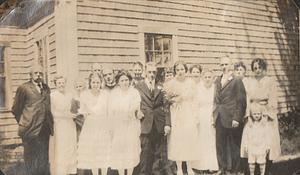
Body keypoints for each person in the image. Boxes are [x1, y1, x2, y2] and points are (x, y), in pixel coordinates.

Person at [11, 64, 53, 175]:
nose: (38, 75)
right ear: (30, 75)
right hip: (29, 130)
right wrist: (25, 122)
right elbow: (16, 109)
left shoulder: (46, 88)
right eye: (36, 73)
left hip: (44, 129)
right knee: (30, 159)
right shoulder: (24, 88)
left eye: (41, 73)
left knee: (43, 159)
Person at [134, 62, 175, 175]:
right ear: (145, 72)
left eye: (154, 72)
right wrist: (137, 111)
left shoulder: (161, 86)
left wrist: (167, 123)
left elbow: (165, 105)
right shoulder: (138, 86)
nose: (152, 74)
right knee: (145, 153)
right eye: (149, 72)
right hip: (145, 123)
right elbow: (134, 102)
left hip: (159, 123)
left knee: (158, 153)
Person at [164, 61, 200, 175]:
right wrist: (173, 100)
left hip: (188, 113)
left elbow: (195, 100)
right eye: (178, 70)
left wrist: (195, 116)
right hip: (176, 114)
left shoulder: (191, 83)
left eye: (182, 69)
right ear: (175, 71)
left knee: (189, 139)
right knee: (177, 140)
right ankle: (179, 167)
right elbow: (166, 100)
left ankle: (189, 167)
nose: (180, 72)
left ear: (185, 71)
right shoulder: (170, 83)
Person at [246, 58, 281, 175]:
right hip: (254, 112)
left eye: (260, 68)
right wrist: (249, 114)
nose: (257, 70)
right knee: (255, 139)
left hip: (266, 112)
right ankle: (254, 167)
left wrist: (267, 114)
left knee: (268, 140)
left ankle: (268, 167)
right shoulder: (250, 81)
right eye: (255, 68)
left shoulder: (270, 81)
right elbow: (247, 98)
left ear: (264, 68)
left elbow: (273, 98)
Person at [213, 56, 247, 175]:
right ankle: (222, 168)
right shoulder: (217, 80)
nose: (224, 67)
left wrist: (237, 118)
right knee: (220, 145)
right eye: (222, 65)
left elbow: (241, 101)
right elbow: (216, 100)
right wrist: (214, 116)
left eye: (226, 64)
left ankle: (235, 170)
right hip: (219, 117)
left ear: (230, 65)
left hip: (232, 118)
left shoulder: (236, 80)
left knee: (234, 145)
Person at [109, 71, 143, 175]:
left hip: (131, 124)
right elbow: (111, 111)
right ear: (118, 82)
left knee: (130, 150)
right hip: (118, 126)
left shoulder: (134, 92)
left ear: (129, 80)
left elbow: (136, 106)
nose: (125, 82)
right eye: (122, 80)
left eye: (126, 80)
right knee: (120, 151)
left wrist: (130, 112)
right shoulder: (114, 94)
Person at [77, 73, 110, 175]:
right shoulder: (84, 94)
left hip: (103, 125)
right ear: (90, 83)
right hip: (91, 126)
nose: (95, 84)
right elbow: (83, 111)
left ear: (101, 83)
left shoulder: (106, 94)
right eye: (93, 82)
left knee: (103, 153)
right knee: (93, 153)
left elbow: (109, 111)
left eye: (98, 82)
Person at [191, 69, 219, 174]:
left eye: (209, 77)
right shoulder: (198, 88)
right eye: (205, 77)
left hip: (211, 115)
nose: (207, 79)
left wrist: (214, 115)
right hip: (201, 115)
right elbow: (194, 104)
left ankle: (211, 165)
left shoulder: (215, 89)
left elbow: (217, 103)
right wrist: (196, 117)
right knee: (201, 139)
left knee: (211, 140)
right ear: (202, 78)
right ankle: (199, 165)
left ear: (213, 78)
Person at [49, 75, 77, 175]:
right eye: (59, 83)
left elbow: (74, 108)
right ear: (55, 84)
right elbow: (53, 113)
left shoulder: (70, 95)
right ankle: (61, 172)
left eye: (63, 82)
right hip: (60, 125)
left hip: (70, 125)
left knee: (70, 147)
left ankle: (71, 171)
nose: (61, 85)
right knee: (61, 148)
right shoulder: (52, 96)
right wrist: (67, 115)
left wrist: (74, 114)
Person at [241, 104, 270, 175]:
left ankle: (262, 173)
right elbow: (246, 136)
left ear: (261, 114)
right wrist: (246, 145)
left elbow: (267, 136)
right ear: (251, 114)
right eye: (254, 114)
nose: (256, 116)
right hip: (252, 146)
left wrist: (268, 146)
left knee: (262, 161)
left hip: (261, 146)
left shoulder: (264, 124)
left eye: (258, 114)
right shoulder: (249, 125)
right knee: (251, 162)